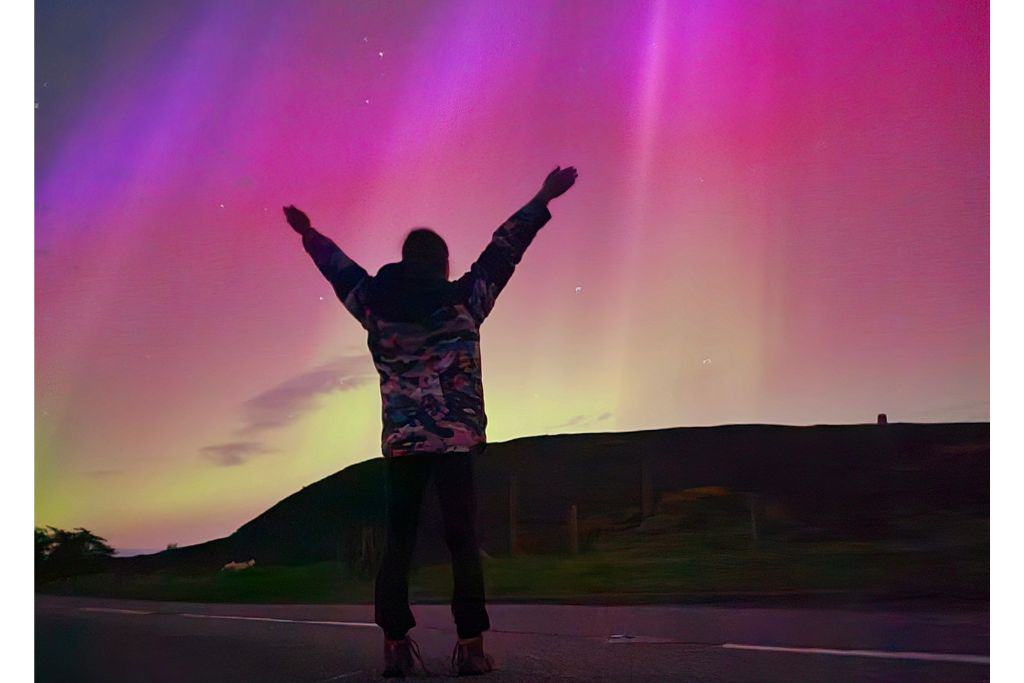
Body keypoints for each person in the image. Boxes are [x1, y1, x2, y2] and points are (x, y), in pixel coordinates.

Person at [284, 166, 578, 677]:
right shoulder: (464, 300)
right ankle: (470, 647)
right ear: (442, 264)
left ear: (404, 260)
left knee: (398, 543)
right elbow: (504, 248)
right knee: (462, 541)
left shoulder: (374, 304)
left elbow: (339, 268)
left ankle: (395, 648)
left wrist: (309, 234)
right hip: (454, 443)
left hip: (403, 445)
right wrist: (542, 196)